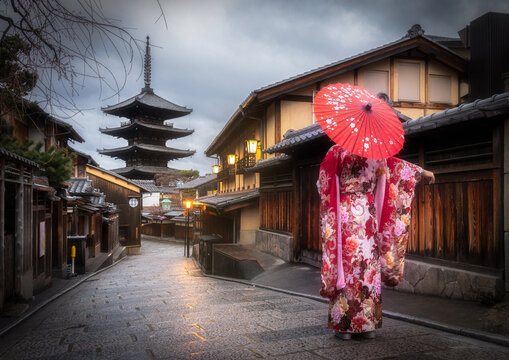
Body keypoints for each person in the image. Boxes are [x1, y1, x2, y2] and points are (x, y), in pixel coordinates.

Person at [317, 144, 434, 340]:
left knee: (347, 266)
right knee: (367, 268)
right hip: (368, 214)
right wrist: (421, 172)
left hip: (345, 212)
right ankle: (367, 324)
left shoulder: (337, 151)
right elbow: (396, 168)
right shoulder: (376, 151)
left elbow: (323, 182)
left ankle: (344, 325)